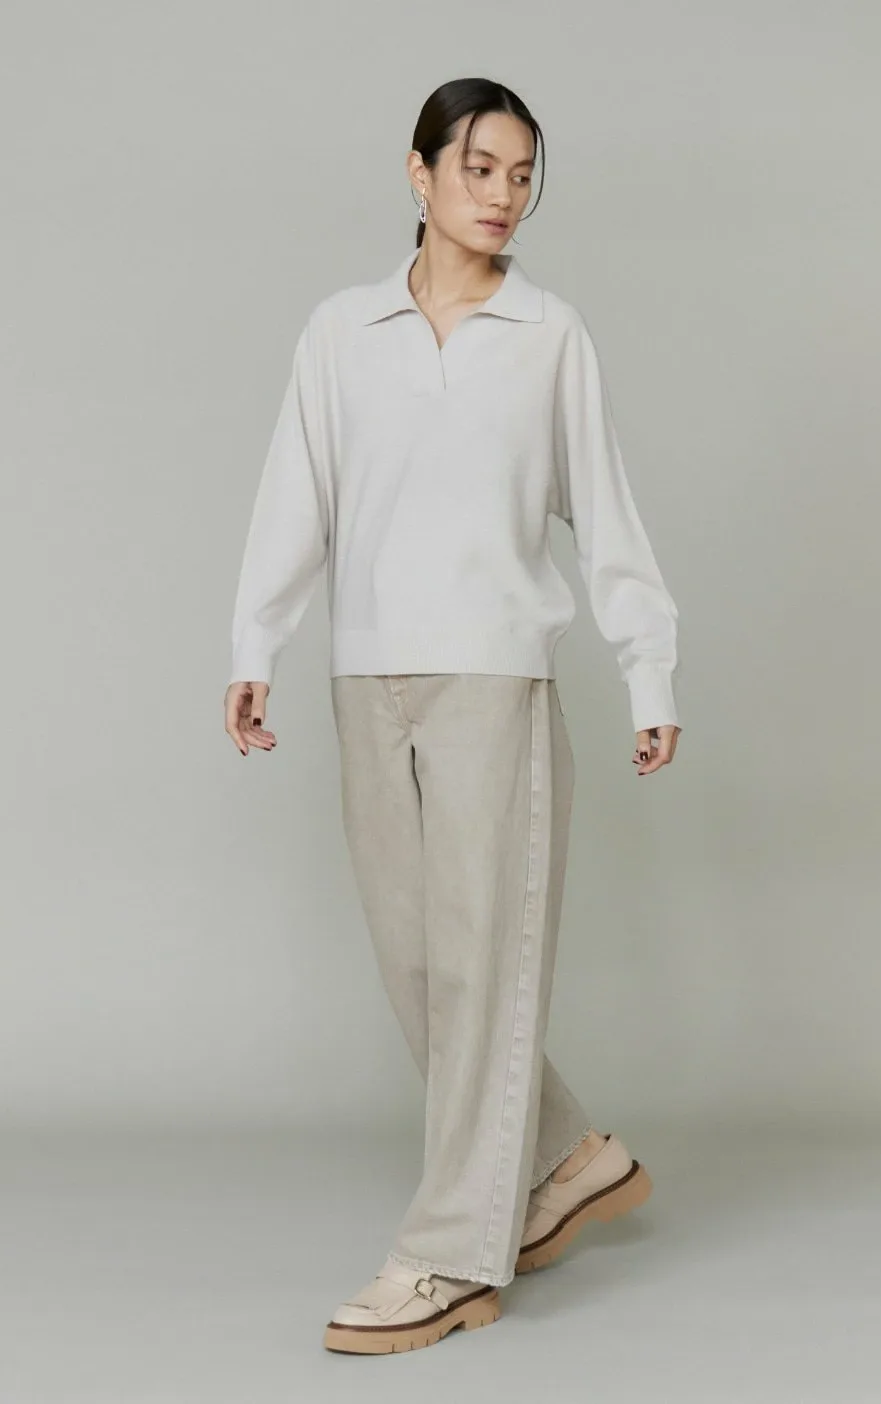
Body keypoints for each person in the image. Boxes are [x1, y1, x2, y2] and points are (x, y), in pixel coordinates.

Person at [223, 77, 681, 1355]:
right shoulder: (342, 330)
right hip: (368, 675)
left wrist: (648, 669)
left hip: (494, 679)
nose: (504, 195)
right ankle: (568, 1160)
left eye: (523, 174)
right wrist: (256, 643)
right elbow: (297, 494)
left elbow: (608, 512)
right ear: (419, 173)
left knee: (485, 969)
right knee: (422, 971)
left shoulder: (548, 335)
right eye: (480, 167)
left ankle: (449, 1260)